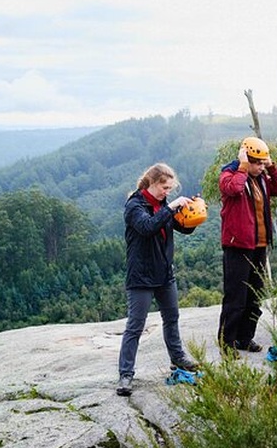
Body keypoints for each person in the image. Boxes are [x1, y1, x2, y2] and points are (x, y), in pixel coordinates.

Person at [117, 163, 199, 397]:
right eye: (164, 187)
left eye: (170, 189)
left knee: (171, 318)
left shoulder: (163, 205)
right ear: (152, 183)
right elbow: (147, 227)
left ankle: (178, 358)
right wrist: (171, 207)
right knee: (135, 326)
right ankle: (125, 374)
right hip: (141, 276)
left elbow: (182, 228)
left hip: (164, 273)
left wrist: (192, 213)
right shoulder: (134, 205)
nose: (167, 192)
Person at [218, 136, 277, 354]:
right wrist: (242, 167)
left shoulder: (262, 178)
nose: (260, 167)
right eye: (256, 162)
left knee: (254, 295)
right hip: (237, 245)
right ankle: (227, 342)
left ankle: (245, 338)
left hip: (259, 244)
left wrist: (272, 167)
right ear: (246, 159)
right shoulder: (229, 175)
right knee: (236, 296)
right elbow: (234, 189)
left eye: (262, 162)